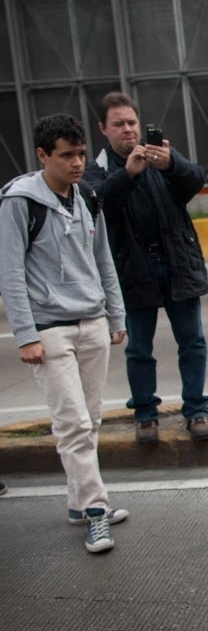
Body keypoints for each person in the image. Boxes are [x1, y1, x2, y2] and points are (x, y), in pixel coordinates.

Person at [0, 113, 129, 553]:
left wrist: (116, 317)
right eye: (66, 155)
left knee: (90, 420)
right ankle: (95, 511)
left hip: (92, 322)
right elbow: (11, 274)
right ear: (42, 156)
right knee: (72, 423)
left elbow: (103, 260)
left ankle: (78, 503)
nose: (77, 163)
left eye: (79, 153)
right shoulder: (20, 201)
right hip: (50, 330)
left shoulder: (88, 196)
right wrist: (25, 335)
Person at [84, 92, 208, 445]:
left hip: (176, 262)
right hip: (133, 269)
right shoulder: (97, 168)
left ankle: (196, 410)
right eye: (119, 124)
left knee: (192, 341)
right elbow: (97, 204)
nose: (128, 130)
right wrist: (128, 174)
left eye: (132, 122)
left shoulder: (159, 156)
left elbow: (195, 180)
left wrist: (171, 164)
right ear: (103, 129)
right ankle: (145, 415)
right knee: (139, 348)